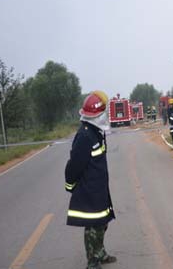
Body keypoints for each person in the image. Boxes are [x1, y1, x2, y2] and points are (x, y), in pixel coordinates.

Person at [65, 90, 116, 269]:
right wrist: (69, 183)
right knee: (93, 226)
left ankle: (100, 253)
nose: (106, 115)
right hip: (89, 189)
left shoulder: (95, 131)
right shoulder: (85, 135)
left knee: (102, 222)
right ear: (97, 115)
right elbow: (74, 165)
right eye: (104, 112)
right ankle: (92, 263)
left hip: (99, 188)